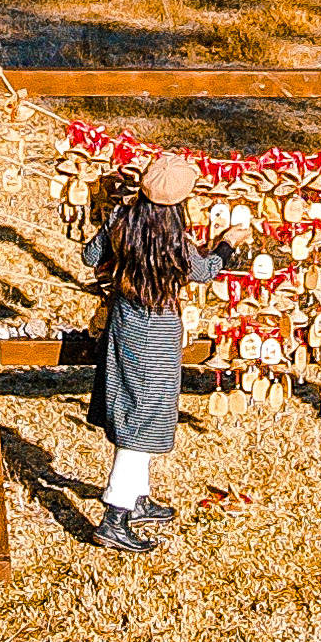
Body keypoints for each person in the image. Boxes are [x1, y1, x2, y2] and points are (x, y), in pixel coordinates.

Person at [79, 151, 222, 555]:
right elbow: (206, 271)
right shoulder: (176, 239)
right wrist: (228, 246)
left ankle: (138, 496)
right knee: (143, 418)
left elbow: (90, 257)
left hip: (124, 324)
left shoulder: (121, 221)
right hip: (158, 333)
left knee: (137, 408)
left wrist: (116, 246)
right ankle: (115, 517)